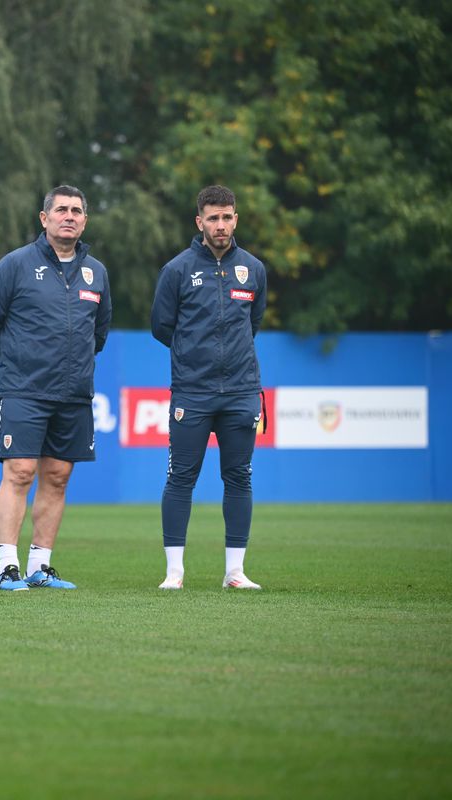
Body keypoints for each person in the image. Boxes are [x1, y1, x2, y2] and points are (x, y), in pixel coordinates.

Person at [0, 185, 112, 591]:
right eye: (61, 210)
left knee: (58, 477)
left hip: (74, 393)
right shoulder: (15, 265)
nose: (69, 216)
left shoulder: (96, 272)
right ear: (44, 218)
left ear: (84, 220)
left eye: (77, 211)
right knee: (19, 472)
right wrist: (19, 360)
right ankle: (6, 566)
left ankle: (41, 565)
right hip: (25, 389)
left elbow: (98, 333)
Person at [150, 184, 267, 590]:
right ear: (199, 221)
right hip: (193, 391)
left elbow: (252, 324)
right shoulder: (178, 270)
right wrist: (194, 355)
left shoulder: (252, 269)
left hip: (240, 391)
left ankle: (235, 572)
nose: (221, 225)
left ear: (236, 218)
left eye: (227, 217)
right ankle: (174, 573)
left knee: (239, 477)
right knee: (181, 477)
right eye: (213, 218)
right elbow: (161, 327)